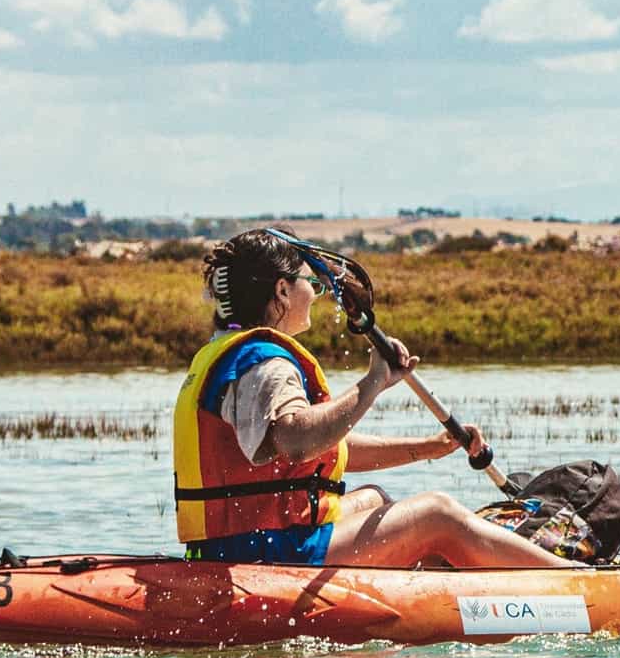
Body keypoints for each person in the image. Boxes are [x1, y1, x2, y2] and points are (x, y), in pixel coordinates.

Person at [173, 230, 574, 569]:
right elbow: (296, 441)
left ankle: (447, 588)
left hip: (244, 542)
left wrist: (429, 448)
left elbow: (317, 450)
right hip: (267, 551)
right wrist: (372, 382)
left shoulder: (228, 352)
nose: (314, 292)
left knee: (373, 500)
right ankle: (572, 578)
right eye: (307, 282)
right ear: (281, 289)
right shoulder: (265, 363)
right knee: (437, 512)